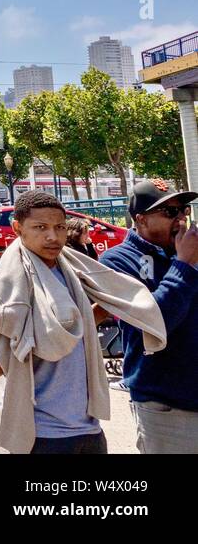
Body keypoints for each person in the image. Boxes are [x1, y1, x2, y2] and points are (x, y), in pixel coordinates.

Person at [0, 190, 165, 455]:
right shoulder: (2, 284)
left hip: (89, 429)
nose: (53, 237)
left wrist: (120, 302)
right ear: (17, 227)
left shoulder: (75, 273)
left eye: (60, 227)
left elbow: (77, 327)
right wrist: (24, 334)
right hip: (41, 434)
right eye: (40, 227)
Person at [99, 179, 198, 453]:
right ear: (140, 220)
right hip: (166, 407)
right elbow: (156, 323)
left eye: (183, 209)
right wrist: (183, 265)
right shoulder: (116, 261)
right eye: (169, 212)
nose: (180, 219)